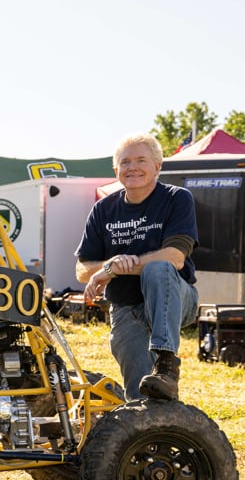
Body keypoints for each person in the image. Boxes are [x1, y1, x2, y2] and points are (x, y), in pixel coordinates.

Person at [76, 133, 199, 401]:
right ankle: (154, 437)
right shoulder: (102, 210)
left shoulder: (177, 198)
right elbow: (83, 269)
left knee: (158, 268)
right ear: (116, 169)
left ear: (158, 166)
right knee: (142, 396)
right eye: (125, 162)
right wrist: (109, 264)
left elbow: (175, 258)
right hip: (126, 309)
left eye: (141, 160)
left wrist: (114, 270)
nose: (133, 167)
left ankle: (167, 363)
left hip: (177, 298)